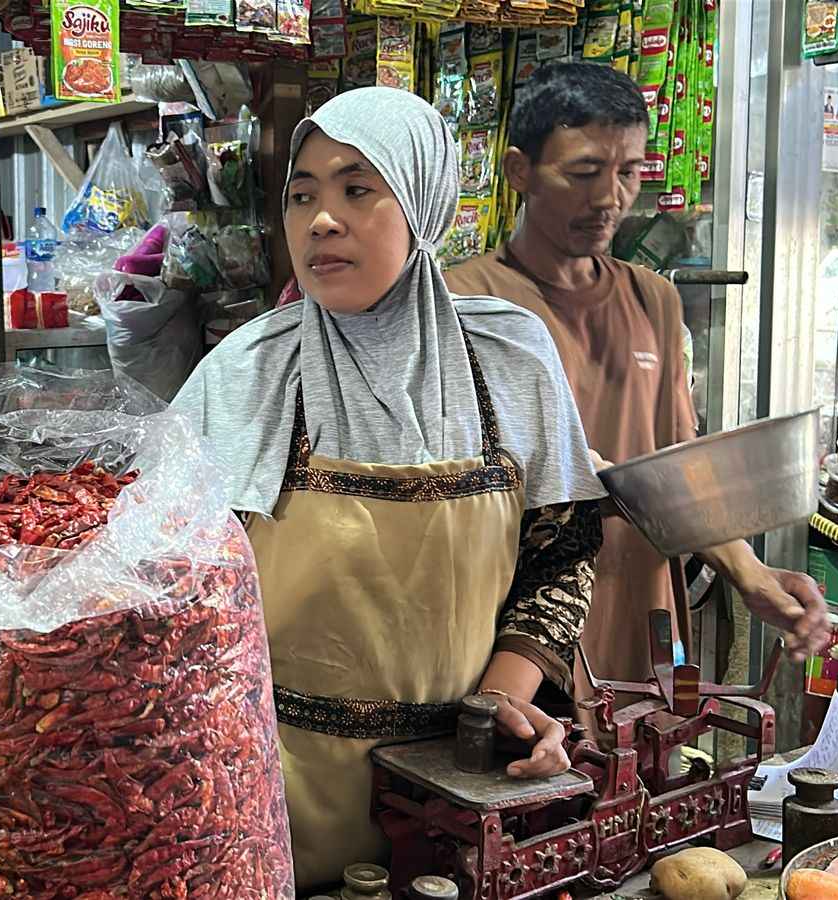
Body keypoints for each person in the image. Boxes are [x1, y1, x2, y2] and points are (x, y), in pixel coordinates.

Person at [173, 87, 607, 892]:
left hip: (465, 790)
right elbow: (174, 595)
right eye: (302, 195)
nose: (321, 220)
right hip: (274, 793)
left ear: (423, 203)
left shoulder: (511, 361)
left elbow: (562, 553)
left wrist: (498, 710)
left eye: (357, 188)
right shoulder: (243, 377)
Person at [443, 63, 831, 690]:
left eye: (628, 173)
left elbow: (682, 474)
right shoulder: (467, 303)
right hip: (513, 638)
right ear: (518, 172)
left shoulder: (654, 299)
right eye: (585, 173)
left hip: (641, 623)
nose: (610, 199)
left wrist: (752, 575)